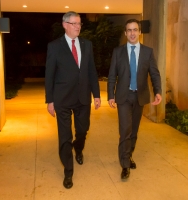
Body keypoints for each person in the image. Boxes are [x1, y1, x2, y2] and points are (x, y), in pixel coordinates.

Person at [45, 11, 101, 189]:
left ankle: (79, 148)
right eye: (74, 23)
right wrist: (50, 100)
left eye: (79, 23)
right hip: (62, 98)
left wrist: (97, 94)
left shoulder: (87, 44)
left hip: (83, 97)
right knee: (64, 137)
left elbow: (91, 71)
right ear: (65, 25)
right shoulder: (54, 46)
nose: (78, 26)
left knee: (83, 130)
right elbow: (49, 75)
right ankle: (68, 171)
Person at [108, 19, 162, 180]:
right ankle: (125, 164)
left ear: (139, 32)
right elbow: (112, 76)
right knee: (125, 130)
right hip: (123, 97)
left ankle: (129, 155)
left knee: (134, 131)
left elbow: (154, 73)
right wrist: (111, 95)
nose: (132, 33)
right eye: (129, 30)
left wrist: (158, 91)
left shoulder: (147, 52)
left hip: (140, 96)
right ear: (125, 33)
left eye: (135, 30)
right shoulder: (118, 52)